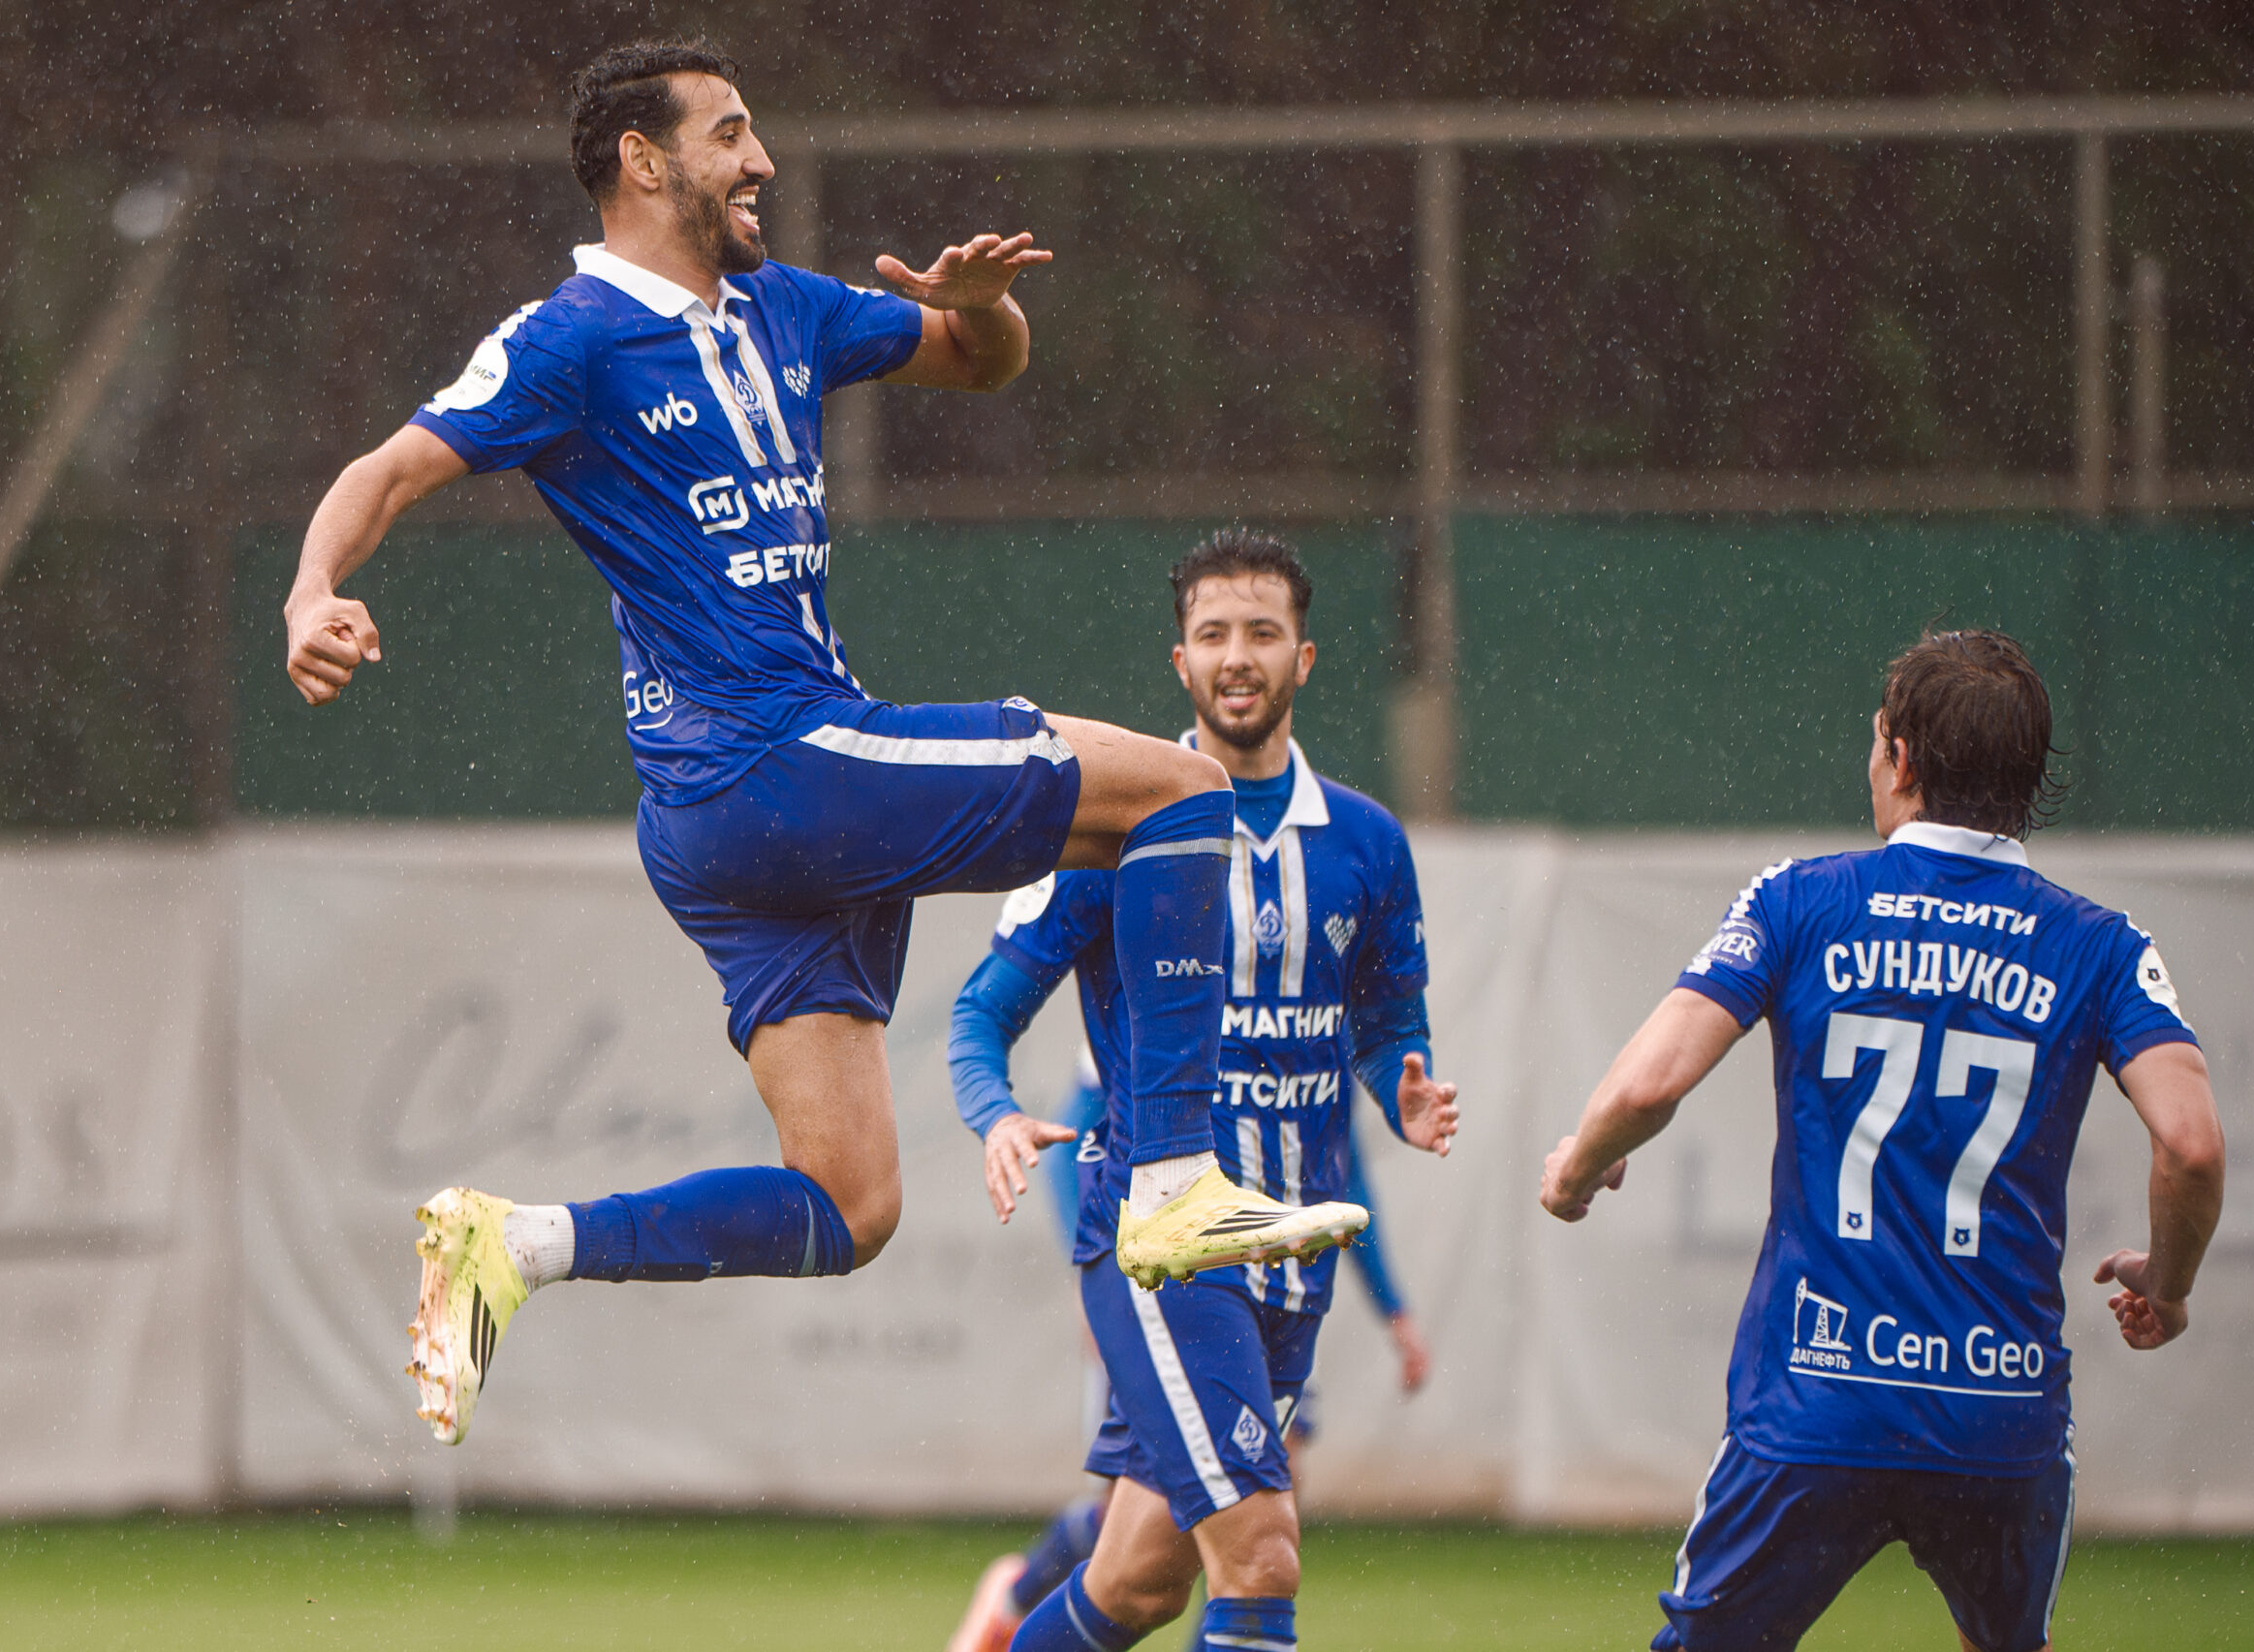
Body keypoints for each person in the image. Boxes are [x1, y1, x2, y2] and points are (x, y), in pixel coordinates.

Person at [276, 40, 1364, 1447]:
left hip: (731, 821)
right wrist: (312, 592)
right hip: (773, 764)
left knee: (850, 1207)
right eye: (731, 133)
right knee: (1185, 794)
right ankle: (1170, 1178)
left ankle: (518, 1244)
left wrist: (981, 308)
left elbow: (980, 363)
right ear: (642, 161)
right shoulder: (571, 337)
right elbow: (388, 469)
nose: (764, 160)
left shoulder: (781, 306)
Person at [1539, 630, 2225, 1652]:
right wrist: (2166, 1285)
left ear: (1901, 759)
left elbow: (1647, 1084)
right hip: (1998, 1411)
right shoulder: (2102, 946)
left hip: (1819, 1400)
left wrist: (1576, 1169)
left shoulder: (1799, 899)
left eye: (1875, 740)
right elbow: (2193, 1144)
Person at [938, 531, 1460, 1652]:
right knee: (1262, 1553)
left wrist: (1400, 1088)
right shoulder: (1113, 829)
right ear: (1180, 661)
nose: (1237, 656)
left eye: (1261, 632)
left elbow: (1388, 1030)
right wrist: (994, 1114)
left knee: (1136, 1579)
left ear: (1303, 658)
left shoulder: (1366, 842)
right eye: (1213, 633)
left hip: (1293, 1258)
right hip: (1163, 1246)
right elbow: (980, 1014)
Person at [945, 1067, 1433, 1652]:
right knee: (1149, 1530)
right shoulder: (1166, 1009)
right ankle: (1016, 1599)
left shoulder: (1325, 1020)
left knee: (1259, 1512)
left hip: (1284, 1290)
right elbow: (1078, 1135)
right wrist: (1092, 1272)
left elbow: (1341, 1162)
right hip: (1177, 1287)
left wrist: (1394, 1309)